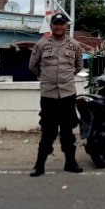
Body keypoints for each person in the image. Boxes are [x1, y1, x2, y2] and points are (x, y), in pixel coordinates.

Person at [28, 12, 85, 176]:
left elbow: (78, 66)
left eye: (62, 23)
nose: (59, 26)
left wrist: (65, 78)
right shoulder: (41, 44)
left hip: (67, 95)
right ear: (51, 25)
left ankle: (70, 163)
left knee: (68, 131)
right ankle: (39, 165)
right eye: (56, 23)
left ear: (66, 26)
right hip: (48, 96)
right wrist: (46, 77)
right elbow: (32, 66)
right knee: (48, 131)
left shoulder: (74, 45)